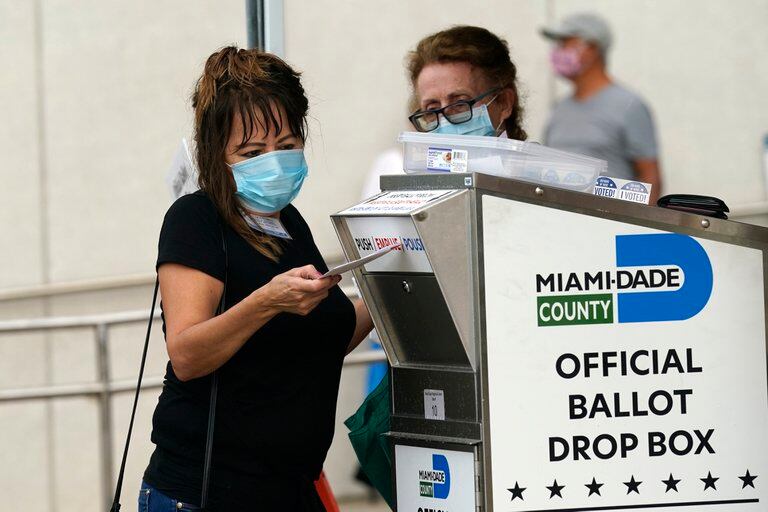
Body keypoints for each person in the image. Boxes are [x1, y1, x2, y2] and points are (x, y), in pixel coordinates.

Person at [139, 46, 373, 511]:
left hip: (289, 488)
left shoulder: (289, 222)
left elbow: (314, 343)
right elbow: (186, 354)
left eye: (286, 146)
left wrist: (394, 294)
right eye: (252, 152)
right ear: (217, 154)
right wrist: (266, 301)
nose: (274, 161)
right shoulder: (196, 220)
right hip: (206, 493)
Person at [541, 12, 662, 203]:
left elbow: (650, 176)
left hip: (609, 224)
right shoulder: (559, 108)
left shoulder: (629, 105)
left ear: (593, 47)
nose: (558, 51)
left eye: (566, 43)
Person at [406, 25, 527, 141]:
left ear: (504, 103)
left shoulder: (539, 163)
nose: (445, 123)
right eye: (432, 109)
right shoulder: (410, 162)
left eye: (460, 103)